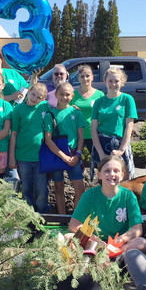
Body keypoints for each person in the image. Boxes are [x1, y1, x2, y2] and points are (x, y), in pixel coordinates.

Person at [69, 155, 146, 252]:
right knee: (68, 237)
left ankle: (114, 254)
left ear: (122, 175)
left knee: (142, 243)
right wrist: (95, 239)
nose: (112, 174)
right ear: (99, 175)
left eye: (116, 171)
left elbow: (137, 229)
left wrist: (120, 240)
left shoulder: (129, 196)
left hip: (119, 244)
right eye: (107, 171)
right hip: (94, 241)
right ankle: (97, 252)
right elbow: (74, 224)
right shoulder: (89, 195)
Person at [43, 82, 86, 215]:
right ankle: (61, 216)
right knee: (58, 187)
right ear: (56, 94)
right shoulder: (50, 115)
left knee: (80, 188)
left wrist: (78, 154)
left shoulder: (76, 113)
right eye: (61, 94)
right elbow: (48, 139)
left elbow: (80, 137)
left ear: (72, 96)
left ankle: (75, 217)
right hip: (57, 155)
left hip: (74, 155)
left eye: (67, 94)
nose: (64, 97)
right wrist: (63, 156)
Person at [9, 82, 50, 213]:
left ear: (43, 99)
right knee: (26, 188)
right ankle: (29, 214)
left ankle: (42, 213)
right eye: (33, 94)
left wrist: (72, 106)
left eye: (39, 97)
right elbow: (14, 134)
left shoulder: (44, 107)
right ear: (29, 91)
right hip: (23, 156)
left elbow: (60, 108)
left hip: (40, 157)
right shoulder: (18, 110)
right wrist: (12, 157)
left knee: (41, 188)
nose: (34, 98)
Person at [91, 67, 137, 180]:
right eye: (110, 81)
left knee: (123, 180)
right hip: (102, 144)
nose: (113, 84)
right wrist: (101, 154)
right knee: (105, 181)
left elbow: (129, 126)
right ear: (105, 82)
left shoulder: (127, 99)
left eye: (116, 81)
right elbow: (93, 129)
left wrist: (121, 150)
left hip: (120, 144)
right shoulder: (99, 102)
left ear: (122, 82)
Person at [70, 65, 104, 179]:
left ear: (92, 77)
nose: (85, 79)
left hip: (93, 134)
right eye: (82, 76)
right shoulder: (73, 95)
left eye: (87, 76)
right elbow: (67, 112)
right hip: (77, 135)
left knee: (100, 162)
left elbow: (103, 114)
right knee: (75, 162)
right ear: (78, 78)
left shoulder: (99, 95)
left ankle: (103, 184)